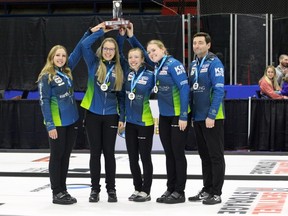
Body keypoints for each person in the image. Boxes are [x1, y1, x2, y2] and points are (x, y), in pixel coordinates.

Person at [126, 23, 190, 204]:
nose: (151, 54)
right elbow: (140, 55)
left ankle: (180, 191)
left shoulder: (173, 64)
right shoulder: (156, 65)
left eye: (154, 50)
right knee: (169, 153)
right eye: (150, 52)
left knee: (177, 153)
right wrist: (131, 37)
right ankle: (170, 188)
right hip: (164, 115)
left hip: (178, 115)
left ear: (163, 50)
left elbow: (184, 89)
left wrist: (184, 115)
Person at [37, 29, 91, 205]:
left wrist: (89, 32)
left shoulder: (66, 71)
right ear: (51, 57)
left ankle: (63, 189)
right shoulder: (47, 76)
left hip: (71, 122)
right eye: (57, 55)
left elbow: (78, 50)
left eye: (63, 55)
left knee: (66, 156)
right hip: (57, 123)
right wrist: (50, 125)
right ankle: (56, 192)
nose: (61, 58)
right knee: (57, 156)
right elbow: (44, 101)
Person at [80, 22, 125, 203]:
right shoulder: (93, 63)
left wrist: (122, 117)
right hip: (92, 113)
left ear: (115, 52)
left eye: (111, 49)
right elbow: (84, 45)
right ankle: (95, 189)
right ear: (102, 49)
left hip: (111, 116)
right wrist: (100, 32)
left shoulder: (120, 69)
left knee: (109, 153)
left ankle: (111, 189)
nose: (108, 52)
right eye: (106, 48)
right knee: (95, 153)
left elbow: (122, 96)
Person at [188, 32, 225, 205]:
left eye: (200, 43)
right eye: (195, 43)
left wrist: (211, 114)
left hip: (212, 117)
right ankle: (207, 188)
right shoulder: (193, 64)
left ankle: (216, 192)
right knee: (204, 156)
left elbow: (218, 90)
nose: (197, 46)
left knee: (215, 155)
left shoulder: (215, 63)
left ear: (208, 45)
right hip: (198, 116)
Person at [118, 27, 154, 202]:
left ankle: (146, 191)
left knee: (145, 157)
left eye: (136, 57)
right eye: (131, 57)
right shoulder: (128, 74)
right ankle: (137, 188)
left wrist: (132, 37)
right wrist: (122, 118)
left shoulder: (151, 74)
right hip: (130, 123)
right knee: (132, 159)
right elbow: (124, 100)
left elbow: (149, 58)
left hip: (145, 122)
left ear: (142, 60)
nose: (132, 60)